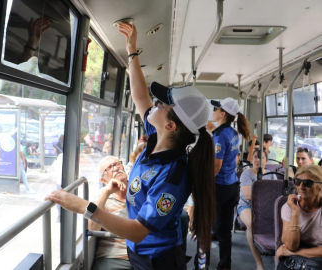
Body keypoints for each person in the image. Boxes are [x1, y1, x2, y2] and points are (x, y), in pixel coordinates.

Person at [45, 23, 216, 270]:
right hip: (138, 253)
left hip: (158, 261)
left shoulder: (173, 176)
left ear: (171, 126)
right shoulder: (156, 140)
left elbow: (137, 231)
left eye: (162, 104)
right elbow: (140, 96)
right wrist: (132, 51)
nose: (155, 103)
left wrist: (83, 206)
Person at [204, 97, 250, 270]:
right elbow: (212, 128)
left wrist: (203, 185)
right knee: (224, 231)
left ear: (222, 113)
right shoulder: (232, 133)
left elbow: (216, 166)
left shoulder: (219, 136)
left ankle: (203, 265)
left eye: (216, 108)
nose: (213, 110)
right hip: (231, 187)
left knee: (205, 228)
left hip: (218, 188)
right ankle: (225, 265)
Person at [276, 164, 322, 270]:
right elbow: (291, 245)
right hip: (297, 250)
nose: (301, 187)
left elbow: (291, 250)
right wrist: (295, 213)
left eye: (307, 183)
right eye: (297, 181)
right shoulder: (289, 207)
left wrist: (296, 252)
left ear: (320, 185)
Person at [90, 155, 132, 270]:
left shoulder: (139, 190)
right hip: (114, 256)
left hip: (143, 252)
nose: (115, 168)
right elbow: (93, 229)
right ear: (103, 180)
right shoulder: (101, 198)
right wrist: (107, 192)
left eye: (117, 164)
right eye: (108, 168)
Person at [238, 149, 277, 270]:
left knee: (279, 225)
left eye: (261, 158)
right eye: (255, 157)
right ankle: (259, 264)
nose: (257, 160)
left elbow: (276, 194)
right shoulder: (246, 174)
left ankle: (277, 261)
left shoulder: (271, 174)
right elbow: (249, 195)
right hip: (247, 206)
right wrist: (268, 195)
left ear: (266, 160)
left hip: (267, 208)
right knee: (251, 224)